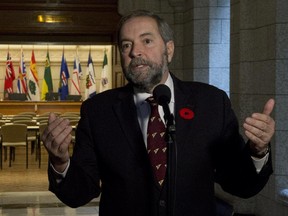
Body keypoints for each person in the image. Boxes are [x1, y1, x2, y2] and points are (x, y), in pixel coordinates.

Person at [42, 10, 275, 216]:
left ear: (169, 50)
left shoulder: (211, 103)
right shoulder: (98, 111)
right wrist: (60, 162)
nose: (135, 52)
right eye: (126, 45)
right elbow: (79, 193)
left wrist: (257, 150)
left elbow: (240, 184)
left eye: (147, 41)